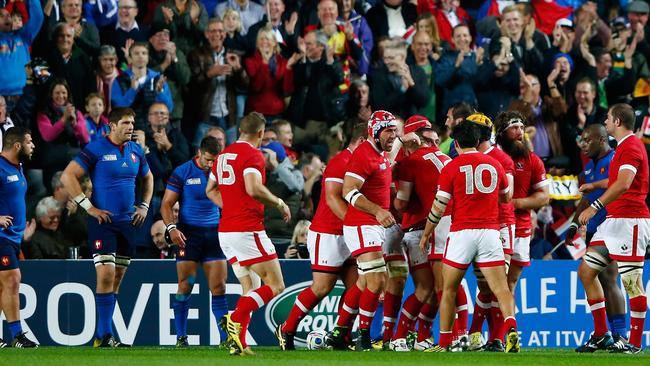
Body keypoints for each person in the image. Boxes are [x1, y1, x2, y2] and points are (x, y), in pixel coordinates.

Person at [419, 121, 519, 353]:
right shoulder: (494, 165)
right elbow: (506, 198)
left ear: (455, 143)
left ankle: (444, 343)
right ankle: (511, 329)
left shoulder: (451, 167)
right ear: (477, 141)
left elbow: (439, 206)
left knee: (448, 289)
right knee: (501, 289)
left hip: (462, 233)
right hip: (490, 233)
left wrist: (426, 234)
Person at [61, 107, 154, 347]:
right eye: (125, 123)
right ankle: (104, 335)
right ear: (111, 126)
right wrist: (89, 208)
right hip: (103, 222)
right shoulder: (96, 148)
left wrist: (143, 205)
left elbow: (149, 178)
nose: (131, 127)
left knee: (117, 277)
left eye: (132, 122)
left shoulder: (136, 151)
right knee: (106, 274)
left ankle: (102, 335)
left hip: (128, 223)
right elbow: (68, 176)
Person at [275, 122, 366, 350]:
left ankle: (342, 335)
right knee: (322, 288)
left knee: (358, 286)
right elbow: (333, 199)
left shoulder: (367, 163)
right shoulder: (340, 162)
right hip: (330, 232)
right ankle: (287, 328)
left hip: (352, 232)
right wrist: (355, 224)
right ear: (364, 141)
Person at [208, 112, 290, 356]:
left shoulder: (223, 155)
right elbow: (253, 188)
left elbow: (209, 190)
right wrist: (278, 202)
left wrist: (230, 207)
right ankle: (235, 316)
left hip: (226, 231)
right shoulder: (253, 155)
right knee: (276, 285)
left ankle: (239, 344)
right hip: (247, 230)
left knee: (250, 287)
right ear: (261, 133)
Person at [577, 104, 650, 354]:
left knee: (631, 283)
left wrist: (595, 206)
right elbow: (616, 180)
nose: (605, 121)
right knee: (587, 271)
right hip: (614, 222)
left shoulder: (631, 146)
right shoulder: (624, 147)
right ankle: (601, 334)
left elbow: (625, 183)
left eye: (608, 118)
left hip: (631, 221)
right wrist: (594, 184)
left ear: (617, 121)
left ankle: (636, 343)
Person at [325, 110, 397, 351]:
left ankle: (339, 331)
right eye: (388, 131)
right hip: (361, 224)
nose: (393, 135)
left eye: (395, 130)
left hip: (374, 225)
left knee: (366, 282)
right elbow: (348, 191)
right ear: (374, 133)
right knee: (377, 281)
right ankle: (363, 336)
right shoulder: (364, 155)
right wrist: (377, 210)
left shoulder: (381, 152)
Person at [388, 116, 450, 352]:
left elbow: (400, 203)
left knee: (430, 289)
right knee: (428, 288)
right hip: (419, 233)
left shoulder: (408, 162)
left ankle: (413, 336)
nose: (434, 140)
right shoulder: (444, 158)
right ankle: (399, 336)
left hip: (419, 232)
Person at [160, 136, 229, 347]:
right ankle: (181, 337)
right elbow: (166, 204)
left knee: (219, 287)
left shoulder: (223, 172)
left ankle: (226, 339)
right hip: (188, 236)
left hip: (214, 235)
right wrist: (172, 228)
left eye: (214, 160)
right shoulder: (183, 171)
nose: (211, 164)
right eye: (208, 159)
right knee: (185, 285)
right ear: (199, 152)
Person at [564, 124, 629, 349]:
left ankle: (620, 335)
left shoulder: (614, 160)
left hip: (612, 227)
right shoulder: (588, 168)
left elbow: (622, 185)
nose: (583, 145)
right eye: (581, 140)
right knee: (599, 279)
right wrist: (573, 226)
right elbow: (585, 199)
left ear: (602, 140)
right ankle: (608, 336)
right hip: (594, 230)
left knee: (609, 278)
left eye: (587, 140)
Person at [467, 115, 516, 352]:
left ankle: (495, 338)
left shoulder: (502, 159)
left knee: (499, 283)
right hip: (480, 226)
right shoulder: (469, 157)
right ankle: (476, 335)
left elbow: (509, 195)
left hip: (501, 225)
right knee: (485, 286)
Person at [493, 111, 549, 304]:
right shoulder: (492, 157)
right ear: (501, 133)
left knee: (511, 282)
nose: (520, 132)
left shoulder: (532, 160)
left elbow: (544, 197)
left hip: (522, 227)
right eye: (514, 128)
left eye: (522, 128)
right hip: (495, 225)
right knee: (494, 284)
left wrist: (515, 203)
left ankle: (508, 330)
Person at [0, 127, 38, 347]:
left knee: (4, 285)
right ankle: (17, 335)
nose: (32, 146)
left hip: (13, 237)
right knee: (13, 279)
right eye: (29, 142)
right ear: (17, 146)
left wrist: (21, 230)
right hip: (1, 236)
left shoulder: (19, 167)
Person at [0, 0, 43, 99]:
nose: (7, 17)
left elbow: (37, 17)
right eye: (1, 16)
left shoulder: (23, 36)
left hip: (23, 97)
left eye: (8, 15)